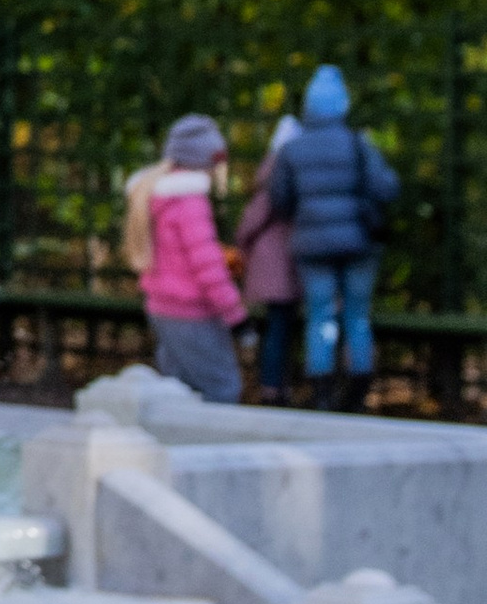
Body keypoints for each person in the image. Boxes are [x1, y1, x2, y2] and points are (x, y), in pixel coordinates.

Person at [269, 63, 397, 413]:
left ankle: (322, 388)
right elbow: (386, 189)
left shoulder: (292, 149)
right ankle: (358, 385)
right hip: (358, 243)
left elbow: (279, 200)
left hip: (311, 244)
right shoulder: (358, 144)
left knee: (320, 313)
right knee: (357, 313)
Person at [123, 112, 246, 404]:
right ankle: (216, 451)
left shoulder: (154, 194)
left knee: (177, 393)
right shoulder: (189, 202)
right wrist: (236, 316)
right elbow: (207, 268)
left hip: (162, 309)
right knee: (223, 389)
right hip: (192, 313)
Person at [235, 115, 301, 405]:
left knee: (277, 327)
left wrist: (242, 244)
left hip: (272, 264)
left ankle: (272, 385)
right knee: (281, 326)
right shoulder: (290, 172)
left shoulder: (271, 173)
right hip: (287, 264)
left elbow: (251, 221)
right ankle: (275, 386)